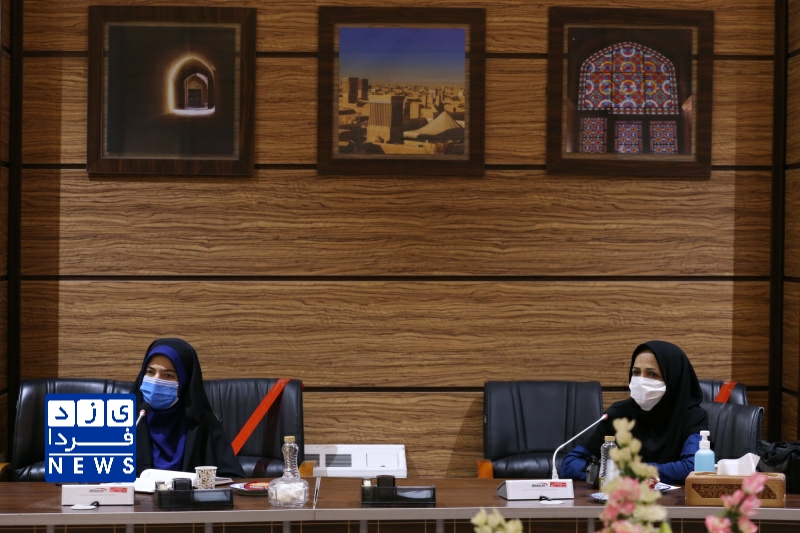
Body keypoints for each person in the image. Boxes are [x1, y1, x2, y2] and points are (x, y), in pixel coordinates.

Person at [560, 340, 708, 485]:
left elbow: (693, 466)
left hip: (676, 499)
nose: (640, 381)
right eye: (636, 373)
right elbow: (569, 463)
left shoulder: (692, 416)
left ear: (673, 379)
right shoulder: (618, 414)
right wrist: (606, 473)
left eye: (651, 374)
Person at [134, 337, 245, 478]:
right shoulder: (125, 419)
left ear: (184, 382)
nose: (156, 381)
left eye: (168, 375)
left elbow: (233, 479)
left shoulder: (204, 424)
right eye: (150, 372)